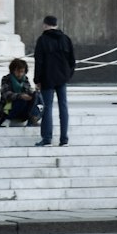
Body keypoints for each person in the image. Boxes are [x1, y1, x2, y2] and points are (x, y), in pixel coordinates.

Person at [33, 15, 76, 147]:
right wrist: (68, 75)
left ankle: (47, 138)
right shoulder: (66, 39)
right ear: (56, 25)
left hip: (47, 78)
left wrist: (37, 79)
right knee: (63, 106)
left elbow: (39, 62)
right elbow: (72, 60)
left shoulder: (42, 40)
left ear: (45, 25)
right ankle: (64, 139)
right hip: (62, 78)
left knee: (47, 107)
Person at [0, 58, 42, 127]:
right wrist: (20, 96)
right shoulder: (6, 79)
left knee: (37, 96)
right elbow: (6, 94)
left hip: (23, 111)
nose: (20, 74)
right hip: (8, 108)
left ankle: (34, 118)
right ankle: (7, 119)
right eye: (18, 71)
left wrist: (32, 95)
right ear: (13, 71)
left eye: (22, 72)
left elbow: (29, 91)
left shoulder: (25, 80)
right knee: (21, 100)